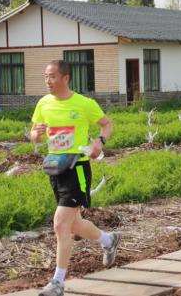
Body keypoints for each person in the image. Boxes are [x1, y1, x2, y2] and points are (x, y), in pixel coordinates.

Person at [30, 60, 119, 296]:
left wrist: (99, 141)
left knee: (61, 224)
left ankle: (58, 282)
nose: (48, 81)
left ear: (66, 78)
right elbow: (35, 135)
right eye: (45, 77)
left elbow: (107, 124)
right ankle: (108, 240)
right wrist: (36, 135)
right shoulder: (43, 103)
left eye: (52, 76)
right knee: (74, 224)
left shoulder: (84, 103)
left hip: (77, 169)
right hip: (54, 168)